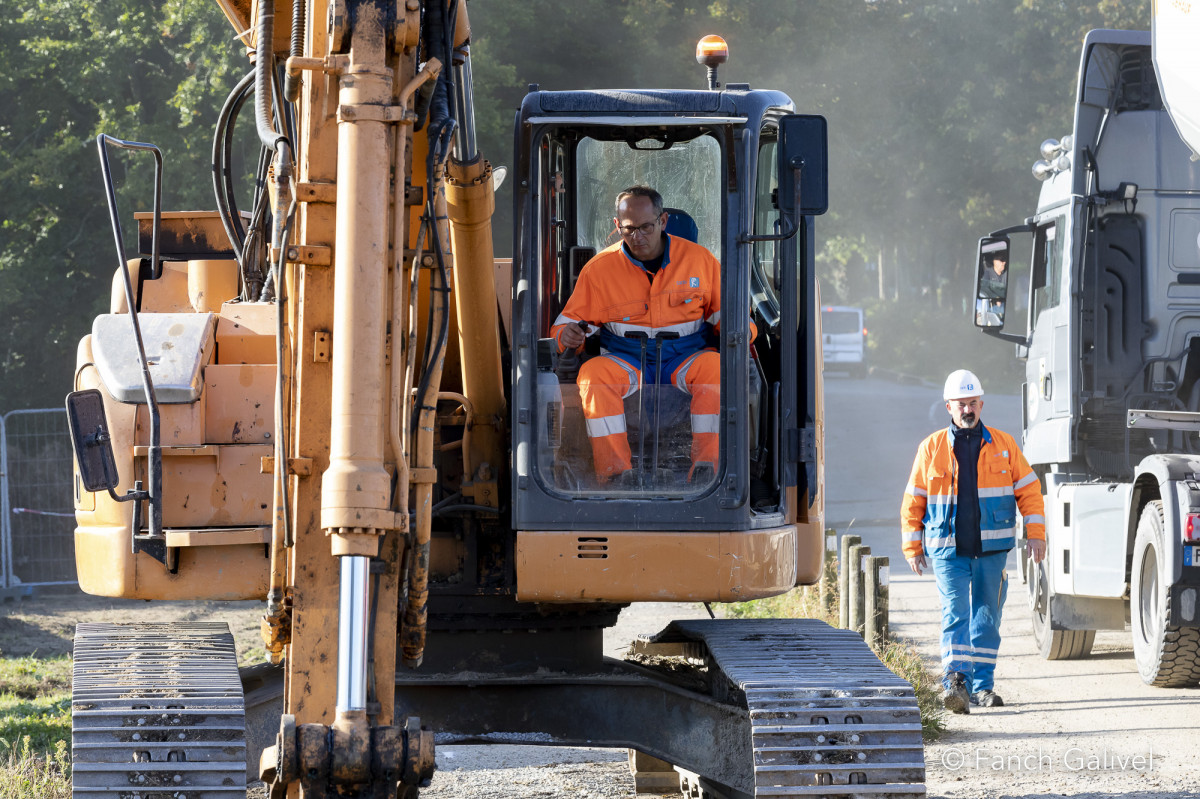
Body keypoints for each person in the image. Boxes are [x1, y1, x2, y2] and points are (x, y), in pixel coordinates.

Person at [550, 185, 727, 485]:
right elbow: (564, 326)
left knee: (716, 369)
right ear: (617, 225)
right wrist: (565, 336)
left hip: (684, 358)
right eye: (629, 229)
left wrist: (742, 335)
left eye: (646, 226)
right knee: (592, 376)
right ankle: (615, 474)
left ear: (663, 221)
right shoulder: (598, 270)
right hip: (627, 359)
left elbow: (731, 317)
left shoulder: (701, 261)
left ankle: (706, 472)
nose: (638, 236)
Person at [900, 369, 1046, 713]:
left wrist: (1036, 534)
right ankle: (955, 683)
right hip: (948, 550)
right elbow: (913, 500)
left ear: (981, 404)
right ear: (949, 407)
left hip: (991, 551)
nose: (968, 409)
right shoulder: (931, 448)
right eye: (961, 404)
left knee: (986, 618)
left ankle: (983, 688)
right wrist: (912, 547)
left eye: (973, 403)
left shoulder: (1004, 446)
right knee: (955, 614)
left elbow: (1030, 491)